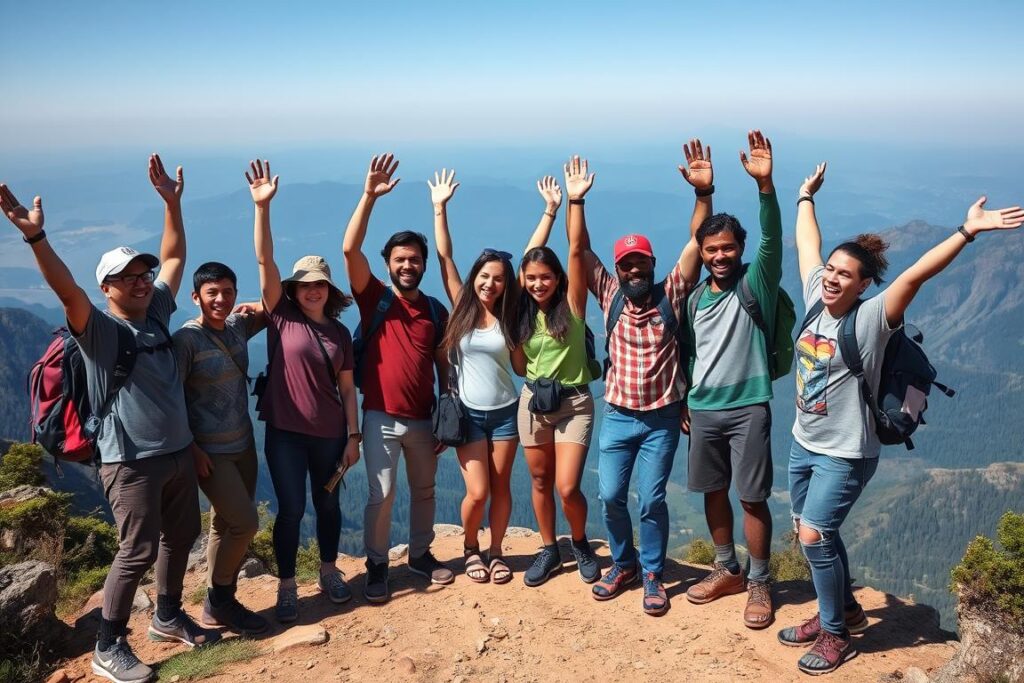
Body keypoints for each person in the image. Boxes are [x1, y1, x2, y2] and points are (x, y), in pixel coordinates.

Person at [778, 162, 1023, 674]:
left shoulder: (872, 319)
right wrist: (804, 197)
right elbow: (806, 245)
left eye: (845, 275)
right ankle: (842, 609)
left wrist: (967, 231)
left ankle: (835, 633)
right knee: (811, 528)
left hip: (846, 452)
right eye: (831, 270)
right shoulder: (815, 297)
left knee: (814, 536)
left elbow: (916, 274)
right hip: (804, 442)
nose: (832, 277)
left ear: (864, 284)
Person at [2, 155, 220, 683]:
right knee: (136, 549)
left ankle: (167, 616)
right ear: (106, 287)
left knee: (181, 535)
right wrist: (36, 238)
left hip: (175, 453)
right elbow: (66, 290)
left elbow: (174, 256)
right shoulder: (99, 331)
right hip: (130, 461)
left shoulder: (157, 312)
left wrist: (172, 204)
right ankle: (108, 644)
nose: (141, 282)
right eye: (126, 278)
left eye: (142, 274)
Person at [569, 146, 704, 615]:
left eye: (639, 263)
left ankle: (651, 573)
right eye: (625, 264)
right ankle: (624, 564)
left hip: (661, 420)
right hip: (619, 416)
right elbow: (579, 251)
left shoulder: (672, 293)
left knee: (651, 500)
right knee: (609, 496)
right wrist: (576, 201)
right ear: (618, 269)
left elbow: (696, 243)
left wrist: (703, 193)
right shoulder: (609, 294)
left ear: (651, 263)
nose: (632, 270)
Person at [429, 169, 560, 584]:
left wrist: (550, 212)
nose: (490, 283)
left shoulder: (511, 312)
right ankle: (471, 548)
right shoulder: (461, 304)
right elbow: (445, 258)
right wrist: (439, 208)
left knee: (501, 490)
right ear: (475, 277)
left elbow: (531, 256)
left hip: (505, 413)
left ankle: (497, 551)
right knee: (479, 492)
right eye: (484, 276)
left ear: (506, 284)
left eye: (498, 278)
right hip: (467, 413)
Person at [248, 159, 361, 623]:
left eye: (320, 285)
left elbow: (348, 389)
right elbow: (264, 260)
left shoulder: (340, 334)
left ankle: (329, 571)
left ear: (329, 290)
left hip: (331, 434)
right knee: (292, 509)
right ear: (293, 290)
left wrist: (353, 437)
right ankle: (288, 585)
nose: (313, 291)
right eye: (305, 285)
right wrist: (262, 208)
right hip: (286, 434)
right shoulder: (281, 316)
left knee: (328, 504)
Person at [682, 131, 783, 630]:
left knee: (752, 496)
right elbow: (689, 353)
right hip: (703, 408)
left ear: (740, 249)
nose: (719, 255)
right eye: (711, 249)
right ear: (701, 253)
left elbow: (772, 241)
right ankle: (727, 568)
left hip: (749, 406)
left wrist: (765, 187)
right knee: (713, 490)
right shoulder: (694, 298)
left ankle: (760, 579)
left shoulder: (755, 282)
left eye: (727, 248)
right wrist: (686, 400)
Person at [342, 154, 453, 603]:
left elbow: (443, 364)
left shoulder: (435, 311)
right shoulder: (375, 298)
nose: (408, 265)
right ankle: (377, 565)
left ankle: (420, 555)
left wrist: (447, 412)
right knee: (382, 494)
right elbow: (350, 250)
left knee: (424, 491)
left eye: (415, 259)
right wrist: (368, 196)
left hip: (424, 418)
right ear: (387, 263)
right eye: (400, 259)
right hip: (380, 416)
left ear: (424, 264)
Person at [512, 156, 601, 588]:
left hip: (574, 403)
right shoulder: (523, 309)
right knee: (540, 479)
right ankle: (549, 548)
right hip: (533, 401)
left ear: (558, 278)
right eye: (531, 278)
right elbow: (526, 260)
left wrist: (575, 202)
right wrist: (547, 211)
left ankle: (579, 543)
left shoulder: (574, 303)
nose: (537, 284)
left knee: (567, 487)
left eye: (545, 277)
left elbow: (576, 250)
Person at [173, 262, 269, 636]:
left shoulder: (236, 326)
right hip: (210, 452)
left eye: (228, 292)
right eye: (212, 292)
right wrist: (191, 448)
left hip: (243, 444)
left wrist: (254, 304)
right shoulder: (186, 341)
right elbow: (172, 398)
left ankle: (213, 609)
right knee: (246, 523)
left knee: (223, 524)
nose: (221, 299)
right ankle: (222, 599)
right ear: (195, 297)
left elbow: (277, 303)